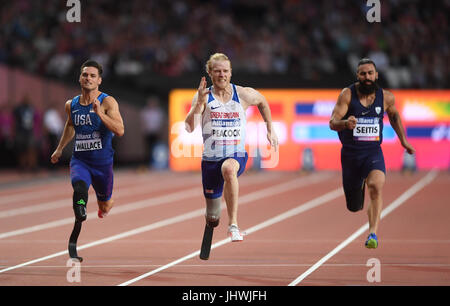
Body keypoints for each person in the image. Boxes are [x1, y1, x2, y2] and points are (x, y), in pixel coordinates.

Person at [185, 53, 278, 243]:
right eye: (217, 71)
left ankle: (234, 225)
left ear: (231, 73)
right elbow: (189, 127)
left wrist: (270, 129)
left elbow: (262, 102)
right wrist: (200, 105)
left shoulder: (242, 94)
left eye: (225, 71)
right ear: (210, 73)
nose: (222, 75)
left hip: (236, 154)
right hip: (210, 159)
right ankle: (213, 220)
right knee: (212, 217)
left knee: (229, 169)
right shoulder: (203, 96)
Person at [329, 58, 415, 249]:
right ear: (357, 76)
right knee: (354, 207)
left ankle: (372, 233)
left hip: (373, 153)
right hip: (351, 157)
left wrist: (404, 141)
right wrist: (345, 123)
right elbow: (332, 122)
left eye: (370, 73)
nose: (366, 77)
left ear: (376, 75)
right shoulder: (347, 95)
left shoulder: (386, 97)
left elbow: (393, 116)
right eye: (362, 74)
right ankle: (358, 185)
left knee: (376, 186)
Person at [51, 59, 124, 231]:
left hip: (102, 163)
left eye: (92, 76)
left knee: (105, 205)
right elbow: (70, 125)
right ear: (79, 78)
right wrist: (59, 148)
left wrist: (100, 113)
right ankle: (80, 207)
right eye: (85, 75)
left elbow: (120, 130)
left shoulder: (108, 102)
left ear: (99, 80)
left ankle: (105, 204)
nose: (88, 78)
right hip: (80, 160)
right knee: (79, 187)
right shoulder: (71, 105)